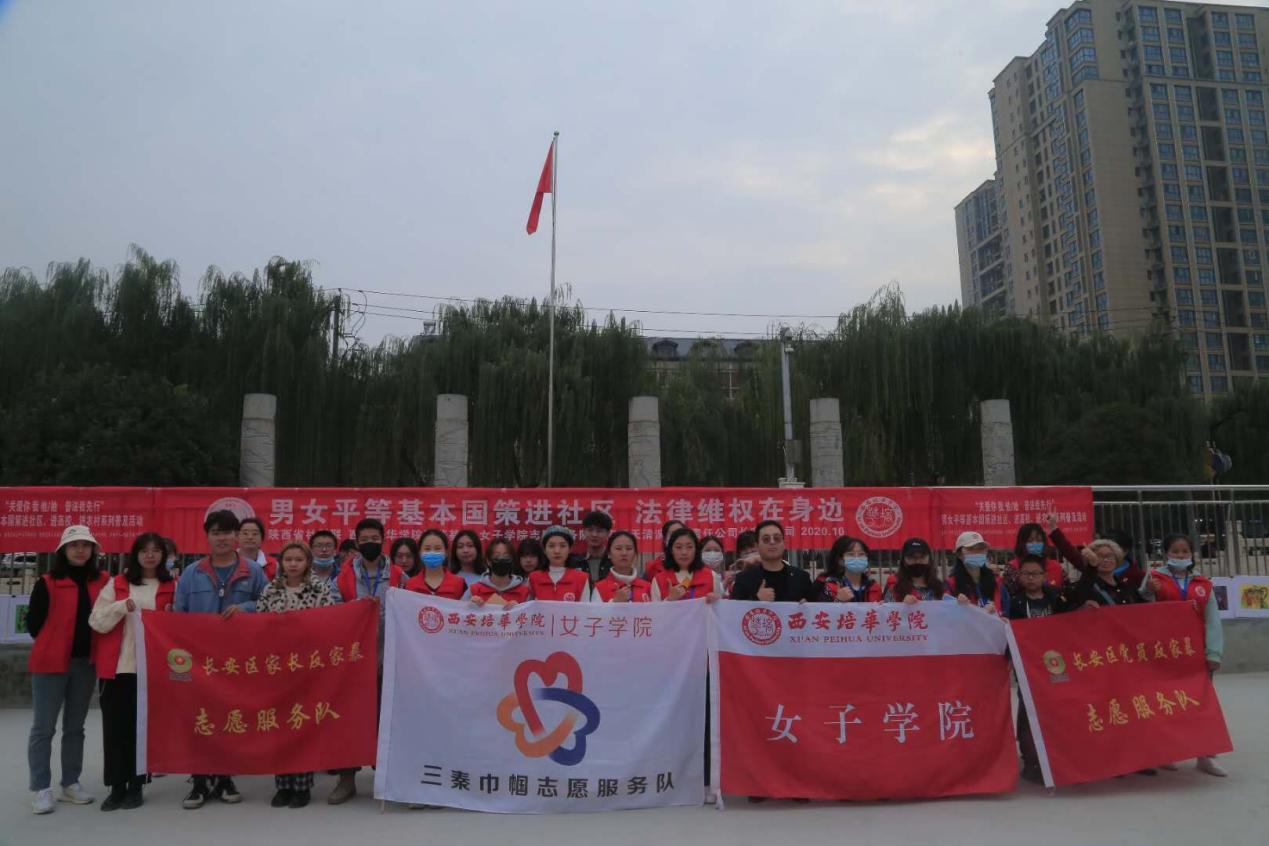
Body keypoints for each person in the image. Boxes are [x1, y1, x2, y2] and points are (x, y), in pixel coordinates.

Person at [173, 509, 268, 808]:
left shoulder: (253, 571)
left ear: (236, 536)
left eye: (227, 532)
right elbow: (178, 615)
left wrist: (246, 608)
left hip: (236, 659)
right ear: (208, 537)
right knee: (199, 718)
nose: (222, 538)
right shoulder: (192, 573)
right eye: (216, 533)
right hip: (200, 660)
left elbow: (267, 604)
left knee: (230, 716)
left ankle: (225, 777)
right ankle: (200, 781)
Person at [89, 531, 176, 811]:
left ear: (163, 555)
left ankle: (136, 786)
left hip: (151, 671)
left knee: (141, 730)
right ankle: (116, 787)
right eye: (144, 550)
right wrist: (120, 606)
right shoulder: (117, 583)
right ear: (135, 555)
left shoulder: (171, 585)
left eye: (156, 550)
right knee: (115, 729)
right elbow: (96, 621)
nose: (150, 555)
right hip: (118, 668)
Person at [26, 525, 109, 815]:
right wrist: (54, 644)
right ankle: (41, 788)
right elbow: (33, 624)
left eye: (85, 545)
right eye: (74, 545)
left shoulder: (103, 581)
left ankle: (70, 783)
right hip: (50, 664)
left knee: (75, 728)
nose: (80, 550)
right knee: (43, 728)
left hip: (85, 665)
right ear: (63, 550)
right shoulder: (48, 582)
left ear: (93, 550)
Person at [330, 517, 408, 805]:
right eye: (364, 540)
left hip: (390, 656)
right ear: (357, 542)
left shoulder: (399, 575)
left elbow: (410, 610)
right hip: (354, 659)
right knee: (349, 717)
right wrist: (354, 610)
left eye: (375, 538)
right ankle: (346, 778)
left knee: (388, 717)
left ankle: (388, 778)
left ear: (383, 540)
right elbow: (332, 611)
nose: (370, 543)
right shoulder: (343, 576)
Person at [257, 542, 338, 808]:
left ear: (307, 563)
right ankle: (282, 785)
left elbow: (329, 624)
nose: (293, 564)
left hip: (307, 668)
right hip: (278, 668)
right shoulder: (270, 590)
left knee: (302, 725)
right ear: (281, 562)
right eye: (288, 559)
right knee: (280, 726)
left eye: (298, 559)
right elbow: (259, 625)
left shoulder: (320, 589)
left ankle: (302, 786)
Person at [1140, 533, 1227, 777]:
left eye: (1184, 551)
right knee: (1166, 703)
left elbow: (1213, 620)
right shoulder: (1154, 577)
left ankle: (1206, 756)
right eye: (1175, 551)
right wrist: (1147, 591)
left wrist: (1214, 652)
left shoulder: (1203, 583)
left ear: (1191, 554)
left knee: (1201, 704)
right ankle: (1167, 752)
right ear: (1166, 553)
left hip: (1195, 654)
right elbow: (1141, 609)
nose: (1180, 556)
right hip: (1164, 654)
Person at [1006, 554, 1067, 783]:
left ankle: (1057, 756)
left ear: (1044, 576)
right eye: (1026, 574)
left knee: (1056, 708)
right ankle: (1031, 759)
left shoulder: (1057, 598)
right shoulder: (1015, 602)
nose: (1031, 578)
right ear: (1020, 576)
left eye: (1035, 574)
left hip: (1056, 663)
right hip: (1027, 664)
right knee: (1028, 709)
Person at [729, 521, 816, 602]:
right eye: (766, 539)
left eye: (777, 538)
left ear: (784, 543)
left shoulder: (802, 578)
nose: (772, 542)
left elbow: (815, 608)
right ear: (757, 545)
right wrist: (756, 599)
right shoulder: (743, 579)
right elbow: (735, 611)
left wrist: (807, 607)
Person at [1061, 538, 1146, 610]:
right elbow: (1072, 604)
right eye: (1099, 556)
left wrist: (1149, 590)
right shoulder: (1085, 587)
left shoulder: (1127, 586)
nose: (1105, 560)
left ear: (1117, 559)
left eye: (1110, 556)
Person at [651, 527, 723, 601]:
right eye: (678, 547)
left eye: (689, 547)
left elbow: (720, 606)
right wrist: (669, 600)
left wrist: (714, 602)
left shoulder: (711, 576)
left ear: (696, 549)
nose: (684, 552)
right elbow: (655, 608)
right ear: (671, 550)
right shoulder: (659, 580)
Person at [947, 531, 1009, 615]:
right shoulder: (951, 585)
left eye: (981, 549)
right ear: (959, 554)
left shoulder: (997, 582)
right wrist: (957, 606)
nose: (977, 553)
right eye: (971, 549)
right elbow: (946, 615)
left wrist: (998, 616)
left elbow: (1006, 612)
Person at [529, 526, 591, 601]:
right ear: (544, 550)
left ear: (570, 549)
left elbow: (585, 607)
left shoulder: (581, 578)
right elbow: (527, 606)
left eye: (562, 546)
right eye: (551, 546)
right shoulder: (534, 578)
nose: (557, 551)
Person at [882, 538, 952, 603]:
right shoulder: (894, 589)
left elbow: (949, 608)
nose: (917, 561)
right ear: (903, 561)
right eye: (911, 557)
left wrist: (958, 602)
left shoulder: (940, 588)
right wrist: (902, 605)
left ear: (929, 559)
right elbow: (887, 610)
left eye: (922, 557)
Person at [592, 532, 653, 602]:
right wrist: (615, 602)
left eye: (629, 549)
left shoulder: (648, 587)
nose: (624, 553)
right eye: (618, 548)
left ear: (635, 553)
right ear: (609, 553)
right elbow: (594, 609)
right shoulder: (600, 588)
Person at [817, 536, 882, 602]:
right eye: (851, 554)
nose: (857, 558)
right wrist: (838, 600)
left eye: (861, 554)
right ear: (840, 561)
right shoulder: (831, 586)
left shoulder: (874, 587)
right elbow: (822, 607)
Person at [406, 529, 467, 599]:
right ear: (420, 552)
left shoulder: (459, 583)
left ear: (446, 552)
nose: (432, 552)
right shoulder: (410, 585)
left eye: (437, 548)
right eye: (427, 549)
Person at [1004, 522, 1067, 590]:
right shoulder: (1012, 568)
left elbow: (1067, 591)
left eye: (1039, 540)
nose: (1035, 543)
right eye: (1030, 541)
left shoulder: (1056, 567)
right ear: (1021, 543)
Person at [469, 538, 530, 606]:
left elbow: (533, 611)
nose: (501, 559)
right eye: (497, 556)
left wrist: (519, 609)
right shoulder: (474, 590)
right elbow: (461, 610)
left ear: (512, 560)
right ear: (488, 561)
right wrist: (469, 606)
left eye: (506, 557)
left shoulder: (524, 592)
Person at [579, 510, 614, 583]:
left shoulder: (615, 561)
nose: (594, 535)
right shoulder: (576, 561)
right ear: (584, 532)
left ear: (608, 533)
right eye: (590, 530)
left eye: (599, 531)